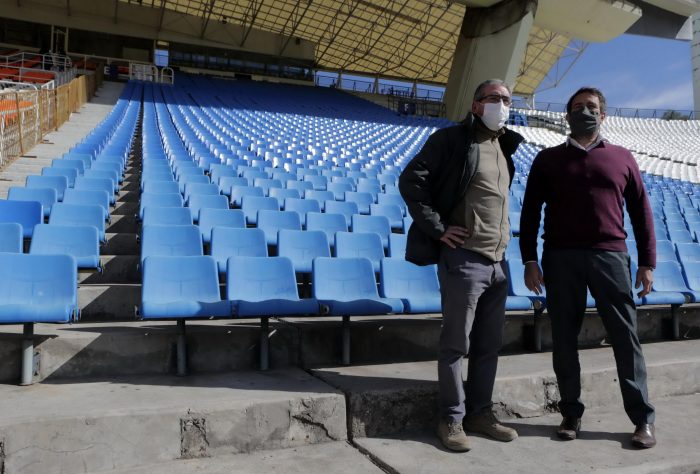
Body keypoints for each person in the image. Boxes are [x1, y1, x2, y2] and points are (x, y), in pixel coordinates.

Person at [519, 86, 657, 449]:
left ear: (603, 115)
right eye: (577, 107)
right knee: (564, 338)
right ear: (567, 115)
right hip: (560, 257)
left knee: (626, 338)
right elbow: (530, 213)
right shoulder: (547, 159)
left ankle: (642, 418)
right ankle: (570, 412)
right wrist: (529, 260)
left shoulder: (622, 157)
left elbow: (642, 213)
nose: (585, 111)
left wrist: (647, 262)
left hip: (610, 257)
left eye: (591, 107)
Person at [399, 79, 523, 452]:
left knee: (488, 346)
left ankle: (480, 413)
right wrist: (439, 229)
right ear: (475, 105)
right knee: (456, 345)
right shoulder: (451, 141)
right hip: (464, 259)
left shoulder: (504, 147)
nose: (499, 104)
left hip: (499, 262)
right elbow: (411, 181)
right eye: (492, 98)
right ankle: (451, 419)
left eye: (505, 99)